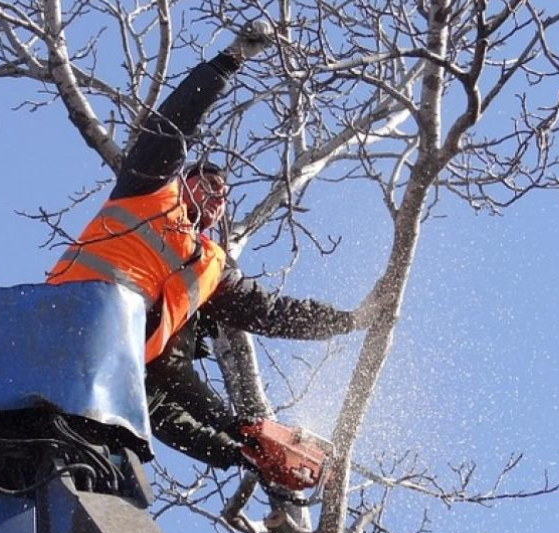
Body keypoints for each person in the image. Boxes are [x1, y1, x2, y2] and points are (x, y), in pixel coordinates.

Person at [47, 21, 389, 470]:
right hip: (63, 322)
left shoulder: (207, 267)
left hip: (108, 368)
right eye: (208, 183)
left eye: (225, 194)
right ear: (183, 181)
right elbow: (172, 125)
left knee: (156, 427)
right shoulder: (149, 191)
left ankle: (254, 447)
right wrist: (229, 62)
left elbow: (270, 313)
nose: (219, 196)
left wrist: (349, 321)